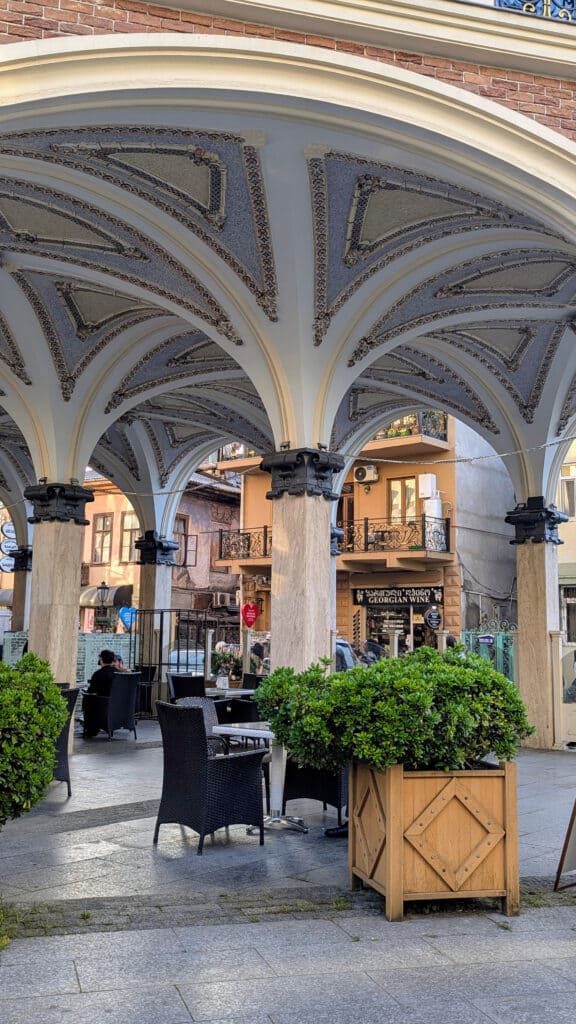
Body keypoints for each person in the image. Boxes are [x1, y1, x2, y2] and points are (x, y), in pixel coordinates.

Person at [82, 649, 116, 737]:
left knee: (87, 699)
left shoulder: (98, 674)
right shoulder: (119, 673)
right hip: (118, 708)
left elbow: (91, 691)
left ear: (101, 659)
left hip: (102, 708)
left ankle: (91, 729)